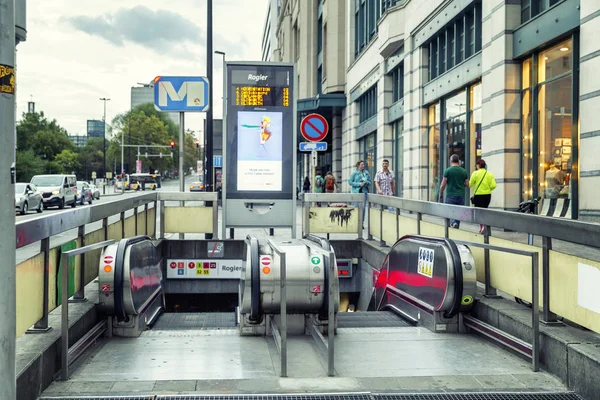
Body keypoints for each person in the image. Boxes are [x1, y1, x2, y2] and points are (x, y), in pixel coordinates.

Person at [439, 154, 469, 229]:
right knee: (459, 211)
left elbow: (443, 184)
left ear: (451, 161)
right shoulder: (464, 171)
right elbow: (467, 184)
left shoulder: (448, 171)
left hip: (450, 195)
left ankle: (453, 222)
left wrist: (441, 192)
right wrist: (461, 184)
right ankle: (456, 224)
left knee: (449, 210)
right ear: (458, 161)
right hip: (461, 195)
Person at [469, 159, 497, 234]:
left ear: (478, 165)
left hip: (478, 195)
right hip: (487, 195)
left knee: (479, 213)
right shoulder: (489, 174)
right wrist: (488, 189)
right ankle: (484, 227)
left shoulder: (475, 173)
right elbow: (494, 185)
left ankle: (482, 227)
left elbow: (470, 184)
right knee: (485, 211)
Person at [349, 160, 371, 228]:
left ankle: (361, 223)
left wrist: (367, 182)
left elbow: (370, 182)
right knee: (357, 207)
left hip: (364, 192)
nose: (363, 166)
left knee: (363, 208)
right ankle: (356, 222)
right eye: (361, 164)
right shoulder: (354, 173)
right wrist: (359, 184)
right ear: (358, 165)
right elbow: (350, 182)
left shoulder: (366, 173)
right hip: (356, 192)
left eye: (363, 164)